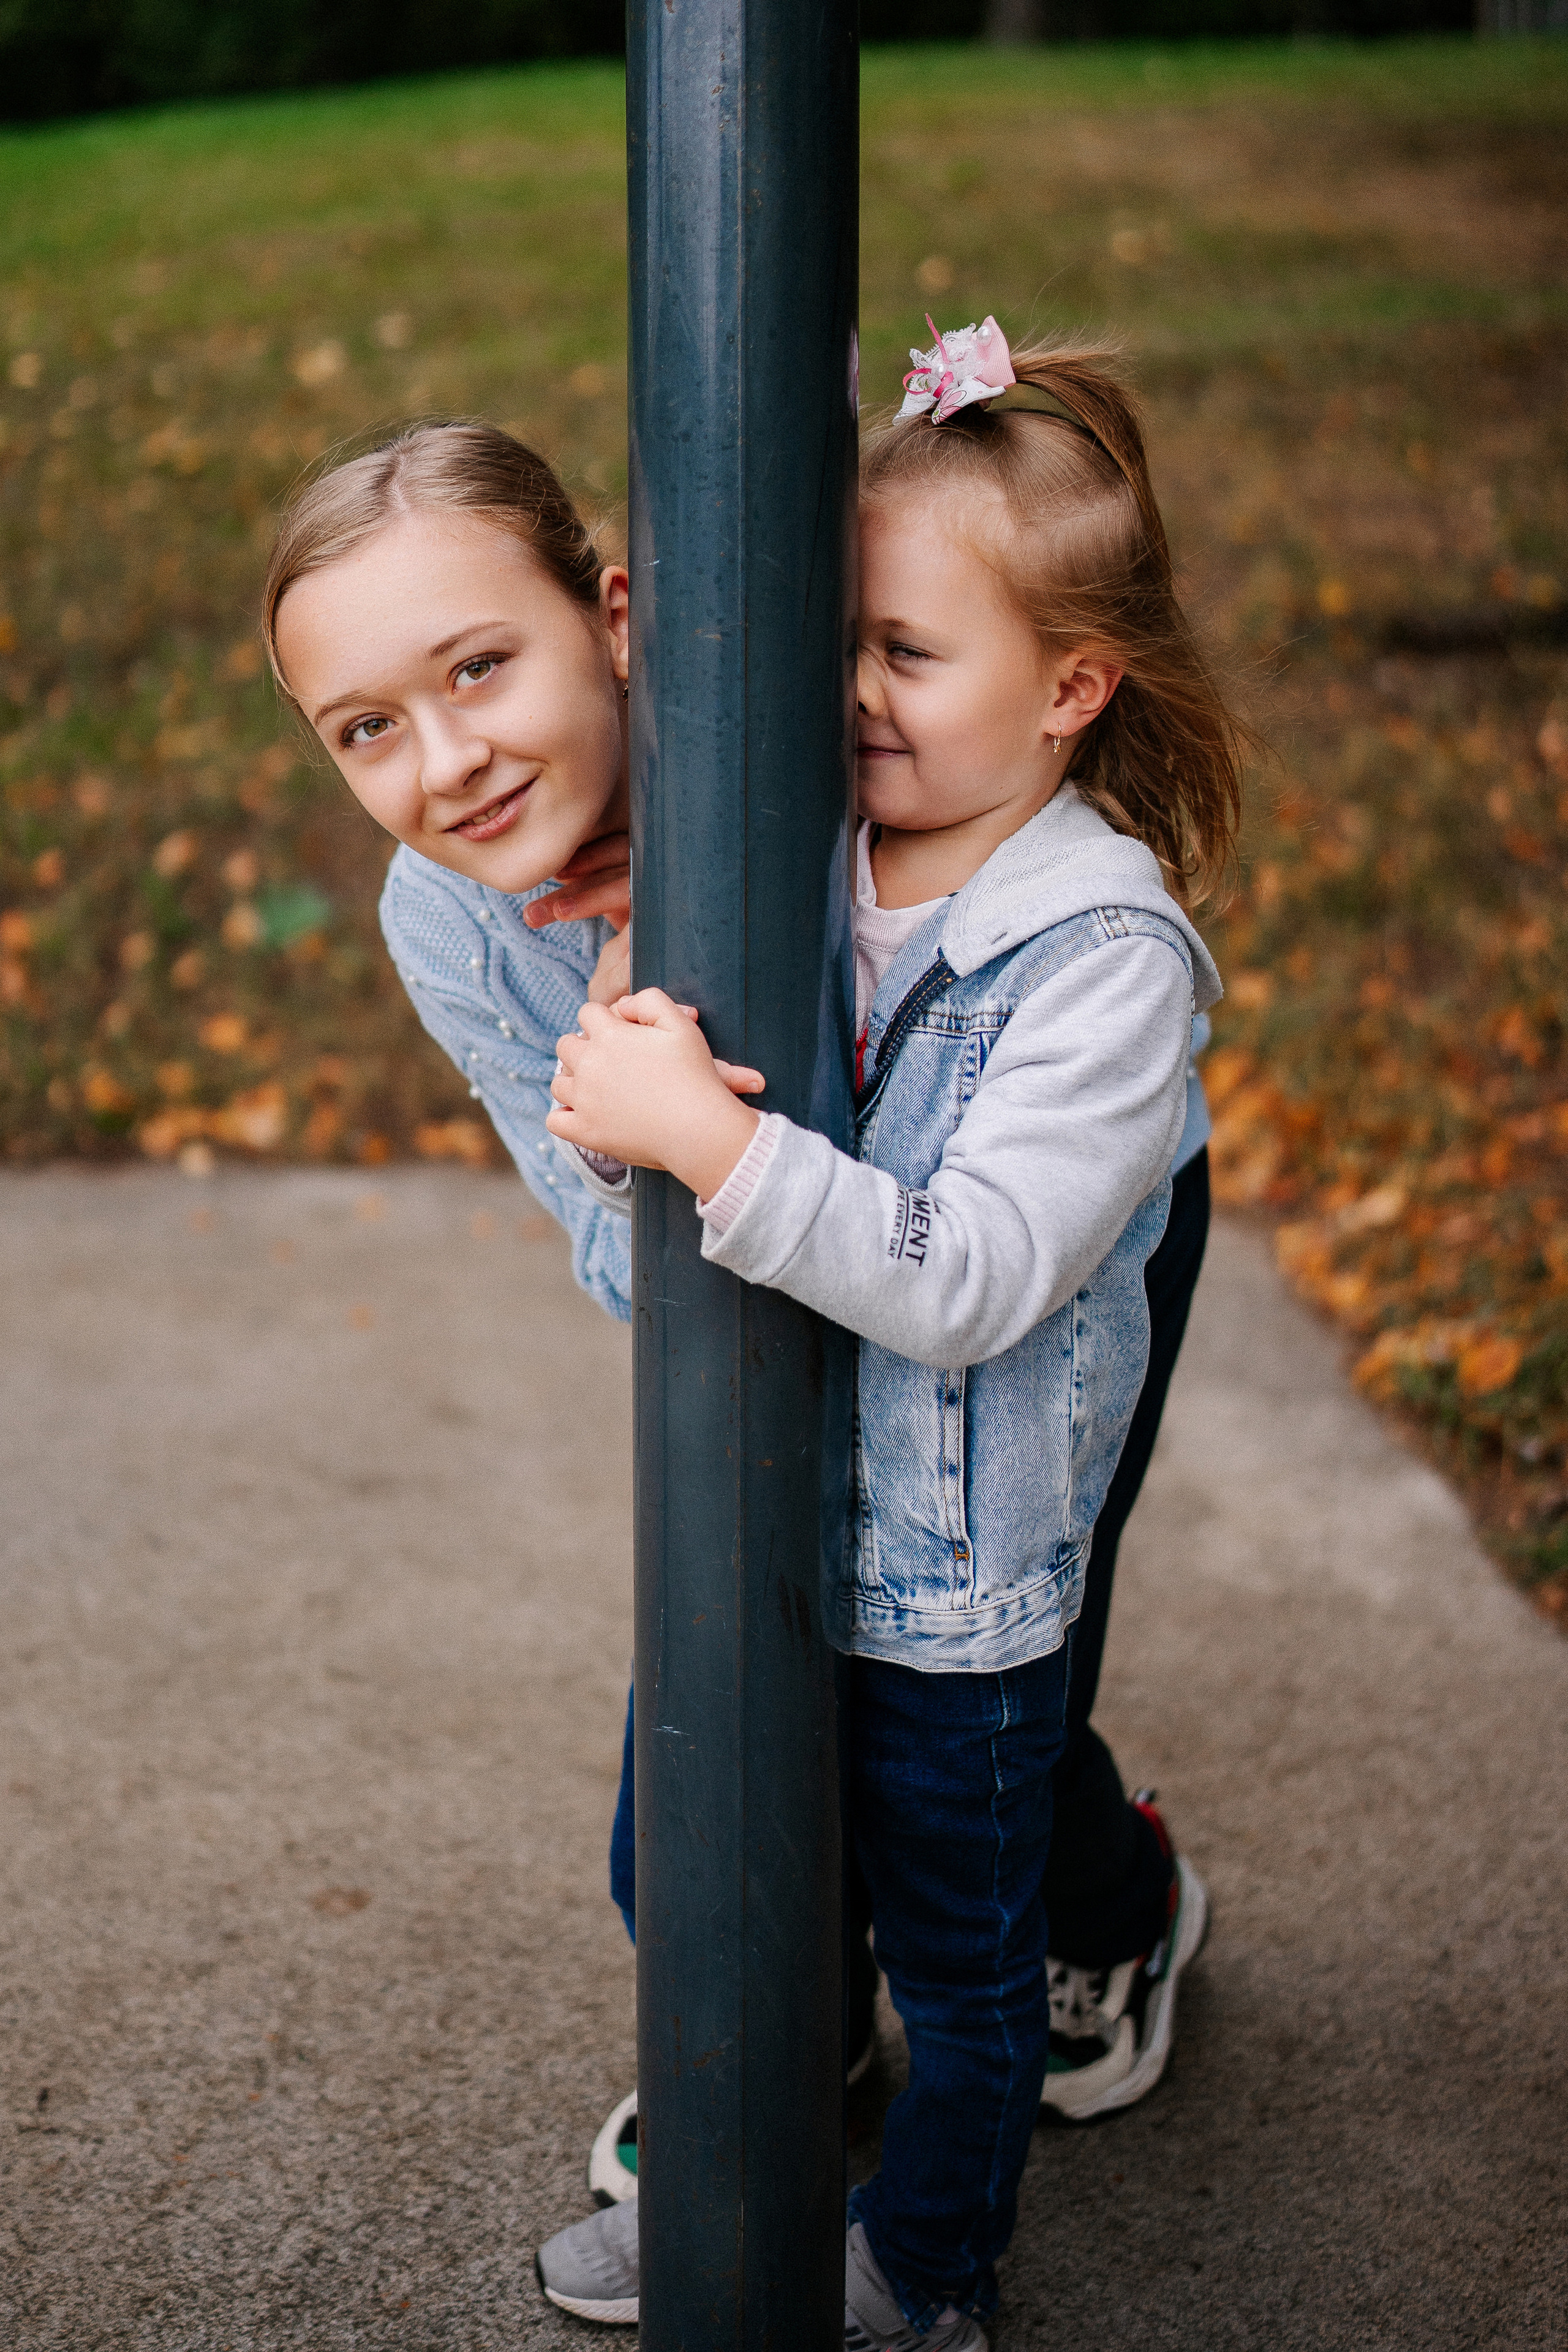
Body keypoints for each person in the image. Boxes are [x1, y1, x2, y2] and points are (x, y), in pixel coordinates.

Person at [538, 321, 1242, 2349]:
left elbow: (977, 1272)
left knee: (962, 1968)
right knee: (688, 1874)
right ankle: (749, 2156)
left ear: (1075, 688)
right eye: (837, 633)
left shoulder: (1101, 959)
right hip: (759, 1518)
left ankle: (922, 2272)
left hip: (953, 1584)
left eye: (904, 655)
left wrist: (707, 1155)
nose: (846, 691)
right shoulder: (804, 858)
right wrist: (628, 1095)